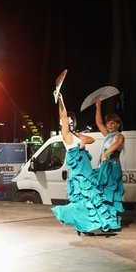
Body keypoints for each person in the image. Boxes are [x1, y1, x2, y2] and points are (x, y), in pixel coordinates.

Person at [50, 93, 118, 235]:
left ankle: (85, 227)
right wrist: (61, 100)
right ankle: (70, 217)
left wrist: (83, 141)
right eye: (66, 120)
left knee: (90, 199)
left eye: (71, 120)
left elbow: (91, 139)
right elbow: (63, 115)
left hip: (87, 172)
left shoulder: (76, 135)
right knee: (83, 200)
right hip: (79, 175)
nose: (69, 121)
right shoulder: (66, 134)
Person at [94, 99, 125, 229]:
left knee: (112, 193)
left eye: (113, 123)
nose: (110, 125)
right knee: (102, 193)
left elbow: (116, 145)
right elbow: (98, 123)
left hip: (113, 167)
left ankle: (113, 221)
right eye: (108, 123)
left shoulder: (119, 136)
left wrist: (105, 153)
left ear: (118, 124)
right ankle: (104, 220)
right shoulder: (108, 135)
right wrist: (98, 106)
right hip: (104, 167)